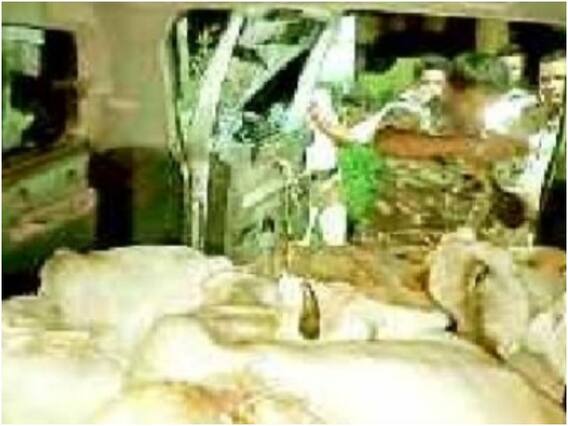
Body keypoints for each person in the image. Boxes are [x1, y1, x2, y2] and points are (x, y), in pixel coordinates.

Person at [484, 44, 537, 136]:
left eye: (514, 68)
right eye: (503, 68)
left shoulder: (531, 102)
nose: (508, 73)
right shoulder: (483, 98)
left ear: (522, 70)